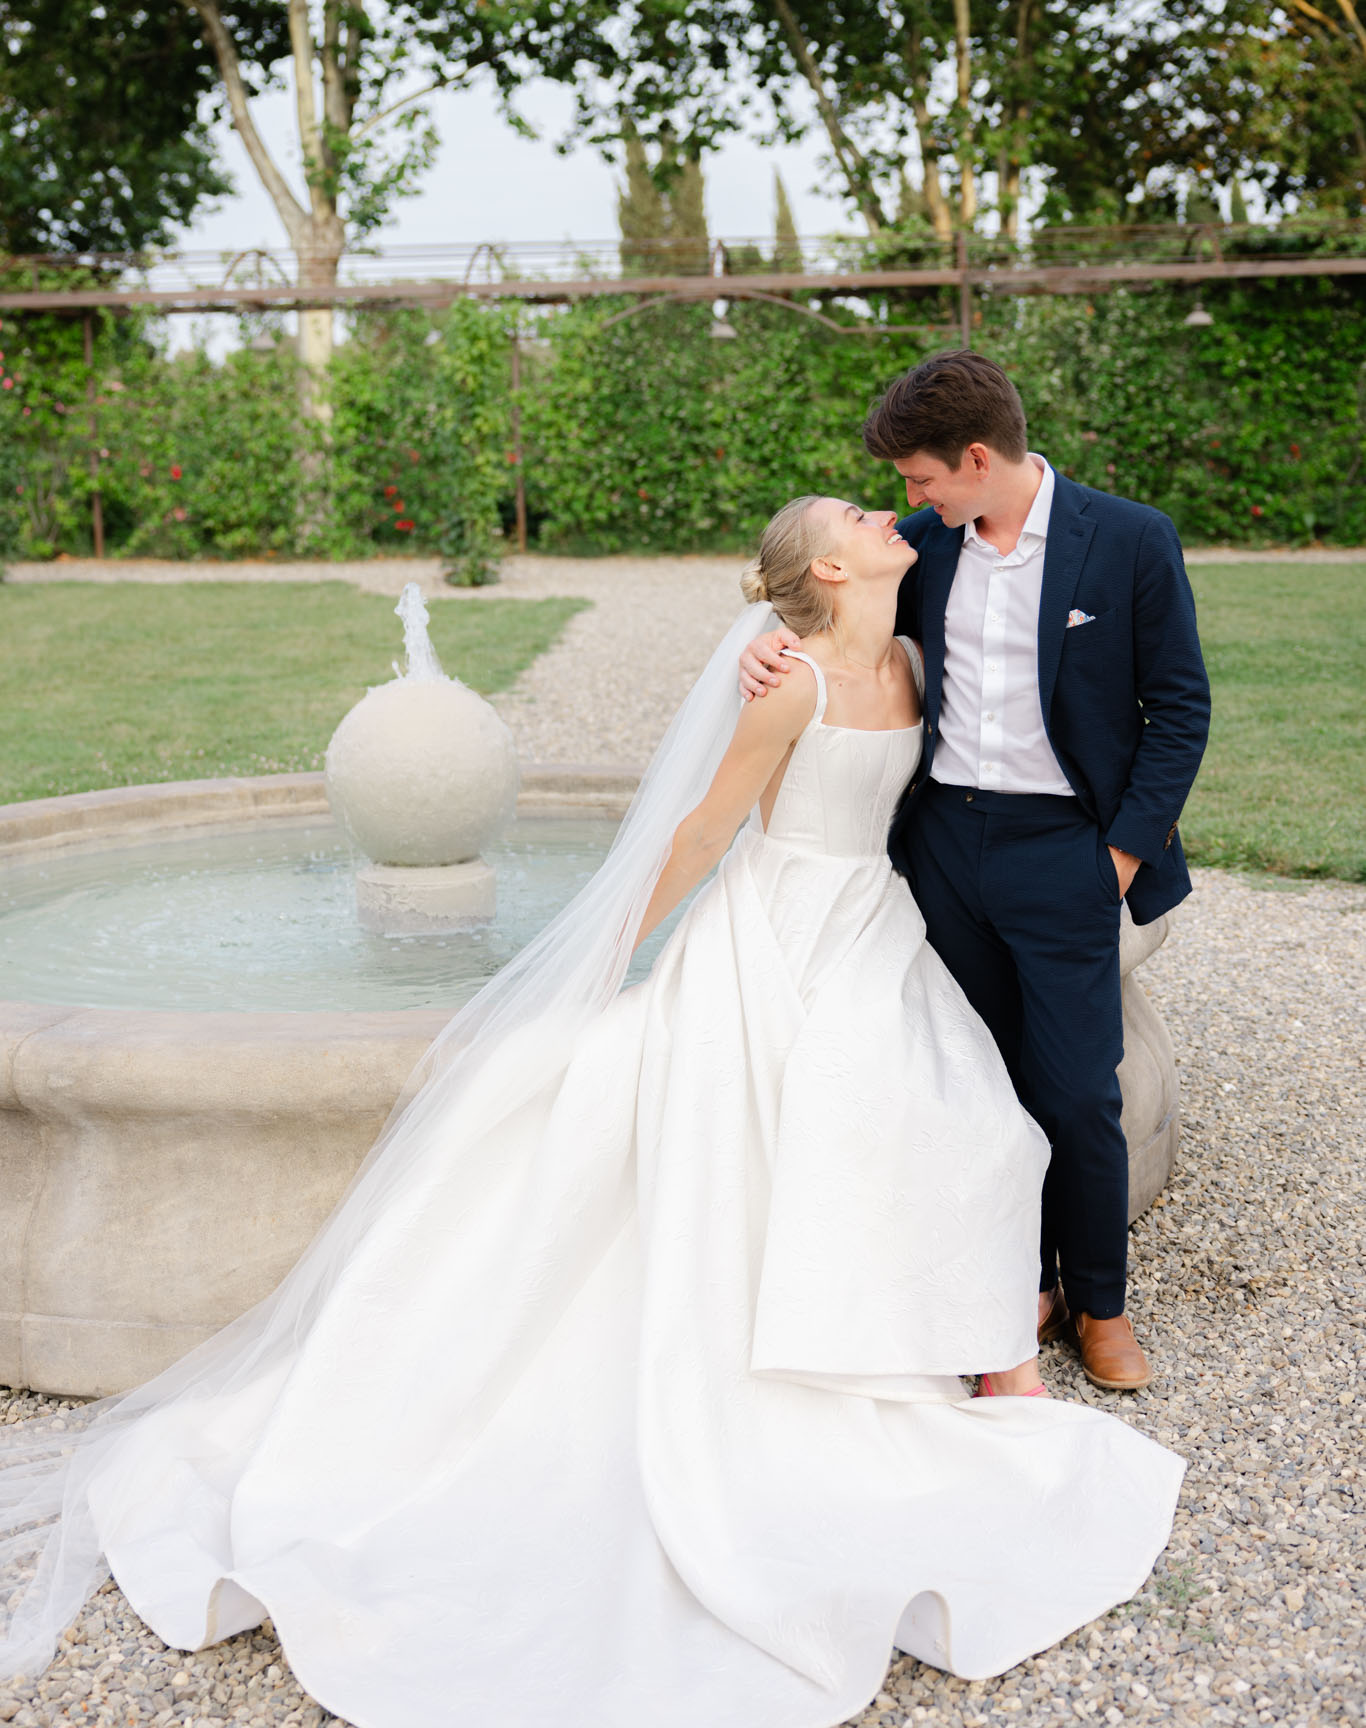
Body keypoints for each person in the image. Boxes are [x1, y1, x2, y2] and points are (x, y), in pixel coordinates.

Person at [0, 495, 1183, 1728]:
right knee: (868, 1122)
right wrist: (609, 945)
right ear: (829, 564)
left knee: (976, 1121)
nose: (888, 511)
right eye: (856, 513)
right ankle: (974, 1360)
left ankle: (988, 1351)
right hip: (777, 932)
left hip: (871, 927)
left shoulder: (912, 654)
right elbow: (711, 823)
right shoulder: (783, 684)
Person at [741, 351, 1211, 1392]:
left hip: (1068, 850)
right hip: (942, 845)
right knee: (974, 1085)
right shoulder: (921, 545)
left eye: (919, 479)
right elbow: (822, 603)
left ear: (976, 456)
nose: (905, 502)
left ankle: (1099, 1301)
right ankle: (1014, 1288)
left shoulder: (1129, 540)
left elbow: (1178, 709)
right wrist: (764, 651)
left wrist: (1119, 857)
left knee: (1079, 1090)